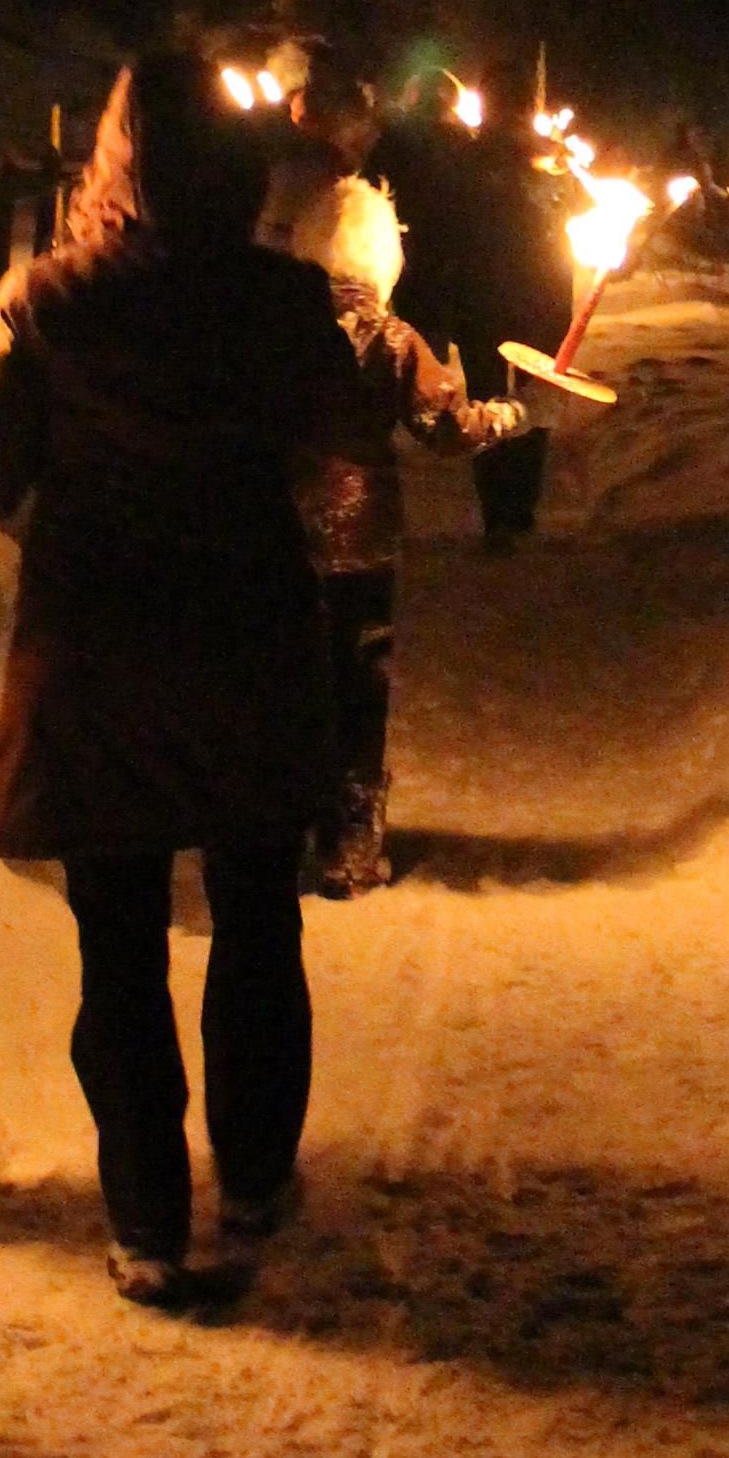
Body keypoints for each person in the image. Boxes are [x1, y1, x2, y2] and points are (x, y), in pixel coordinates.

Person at [0, 51, 506, 1305]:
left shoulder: (53, 300)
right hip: (246, 636)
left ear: (119, 157)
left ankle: (147, 1221)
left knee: (118, 938)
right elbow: (338, 430)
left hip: (103, 651)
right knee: (256, 918)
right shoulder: (284, 306)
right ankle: (261, 1179)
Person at [257, 55, 510, 895]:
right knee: (358, 681)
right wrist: (504, 418)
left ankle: (279, 827)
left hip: (273, 528)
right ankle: (352, 841)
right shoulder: (388, 338)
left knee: (286, 675)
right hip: (360, 533)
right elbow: (445, 426)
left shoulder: (267, 328)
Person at [383, 89, 575, 546]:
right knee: (530, 400)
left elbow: (440, 230)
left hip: (487, 300)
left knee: (495, 394)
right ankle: (515, 512)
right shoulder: (540, 162)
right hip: (526, 299)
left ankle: (501, 514)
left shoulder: (480, 160)